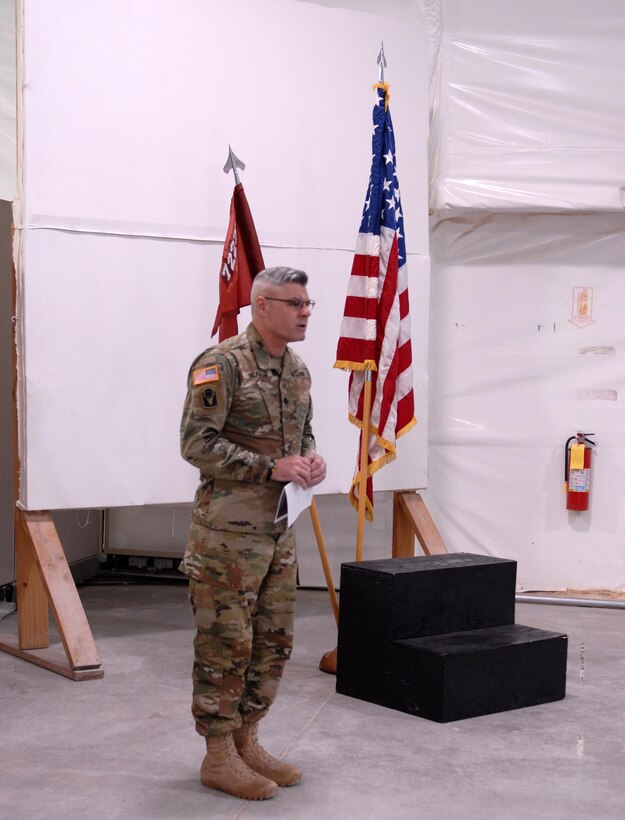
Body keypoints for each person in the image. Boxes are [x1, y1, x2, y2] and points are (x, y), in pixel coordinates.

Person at [179, 266, 326, 801]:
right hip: (227, 538)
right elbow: (197, 445)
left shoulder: (297, 370)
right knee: (226, 644)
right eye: (296, 303)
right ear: (262, 306)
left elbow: (301, 432)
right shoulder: (222, 364)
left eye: (309, 303)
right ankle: (218, 756)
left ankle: (248, 741)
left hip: (278, 531)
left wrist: (309, 460)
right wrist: (271, 469)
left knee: (273, 641)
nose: (306, 311)